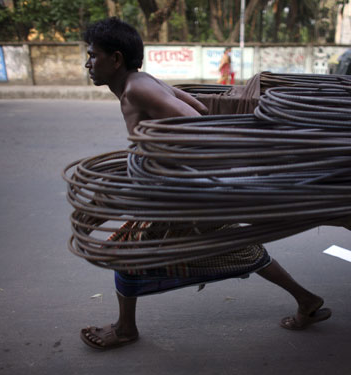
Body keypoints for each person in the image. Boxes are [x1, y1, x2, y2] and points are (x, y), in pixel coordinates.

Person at [80, 17, 331, 350]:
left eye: (93, 55)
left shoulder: (137, 88)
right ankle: (307, 300)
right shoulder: (140, 82)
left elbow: (196, 121)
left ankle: (126, 329)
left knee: (128, 251)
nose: (88, 63)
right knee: (238, 246)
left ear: (116, 59)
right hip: (186, 189)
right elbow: (196, 105)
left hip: (185, 192)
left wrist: (173, 167)